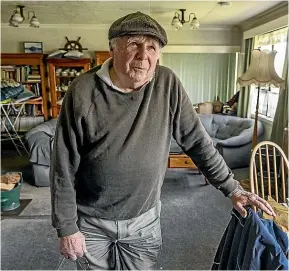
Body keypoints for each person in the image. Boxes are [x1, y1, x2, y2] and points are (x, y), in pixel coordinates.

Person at [50, 11, 276, 270]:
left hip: (144, 219)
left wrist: (233, 188)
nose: (143, 55)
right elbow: (63, 166)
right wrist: (66, 227)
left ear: (158, 55)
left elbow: (198, 142)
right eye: (134, 44)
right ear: (113, 49)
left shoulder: (166, 83)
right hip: (92, 220)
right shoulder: (82, 90)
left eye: (152, 47)